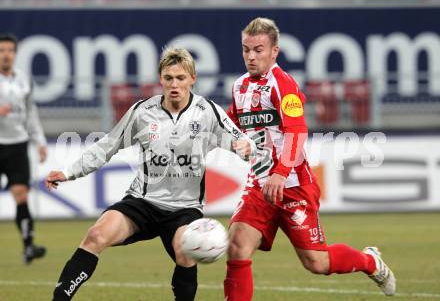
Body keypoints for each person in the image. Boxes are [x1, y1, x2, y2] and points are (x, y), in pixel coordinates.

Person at [46, 47, 254, 301]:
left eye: (180, 78)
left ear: (192, 79)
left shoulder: (207, 112)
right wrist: (68, 172)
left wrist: (245, 148)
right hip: (142, 201)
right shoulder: (143, 112)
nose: (174, 84)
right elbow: (106, 146)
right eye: (168, 78)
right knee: (96, 235)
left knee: (185, 250)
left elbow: (240, 141)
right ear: (161, 80)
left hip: (184, 208)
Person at [223, 17, 396, 300]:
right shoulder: (240, 86)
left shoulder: (284, 84)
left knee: (316, 263)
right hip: (259, 185)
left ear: (274, 51)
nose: (251, 56)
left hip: (292, 184)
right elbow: (233, 124)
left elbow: (297, 132)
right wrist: (229, 140)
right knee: (237, 246)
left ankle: (369, 261)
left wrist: (279, 172)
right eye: (246, 49)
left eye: (258, 49)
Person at [0, 33, 48, 264]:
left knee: (21, 195)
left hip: (18, 145)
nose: (6, 55)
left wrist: (39, 141)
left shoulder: (23, 79)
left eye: (9, 50)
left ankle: (29, 247)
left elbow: (31, 112)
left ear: (15, 54)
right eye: (1, 50)